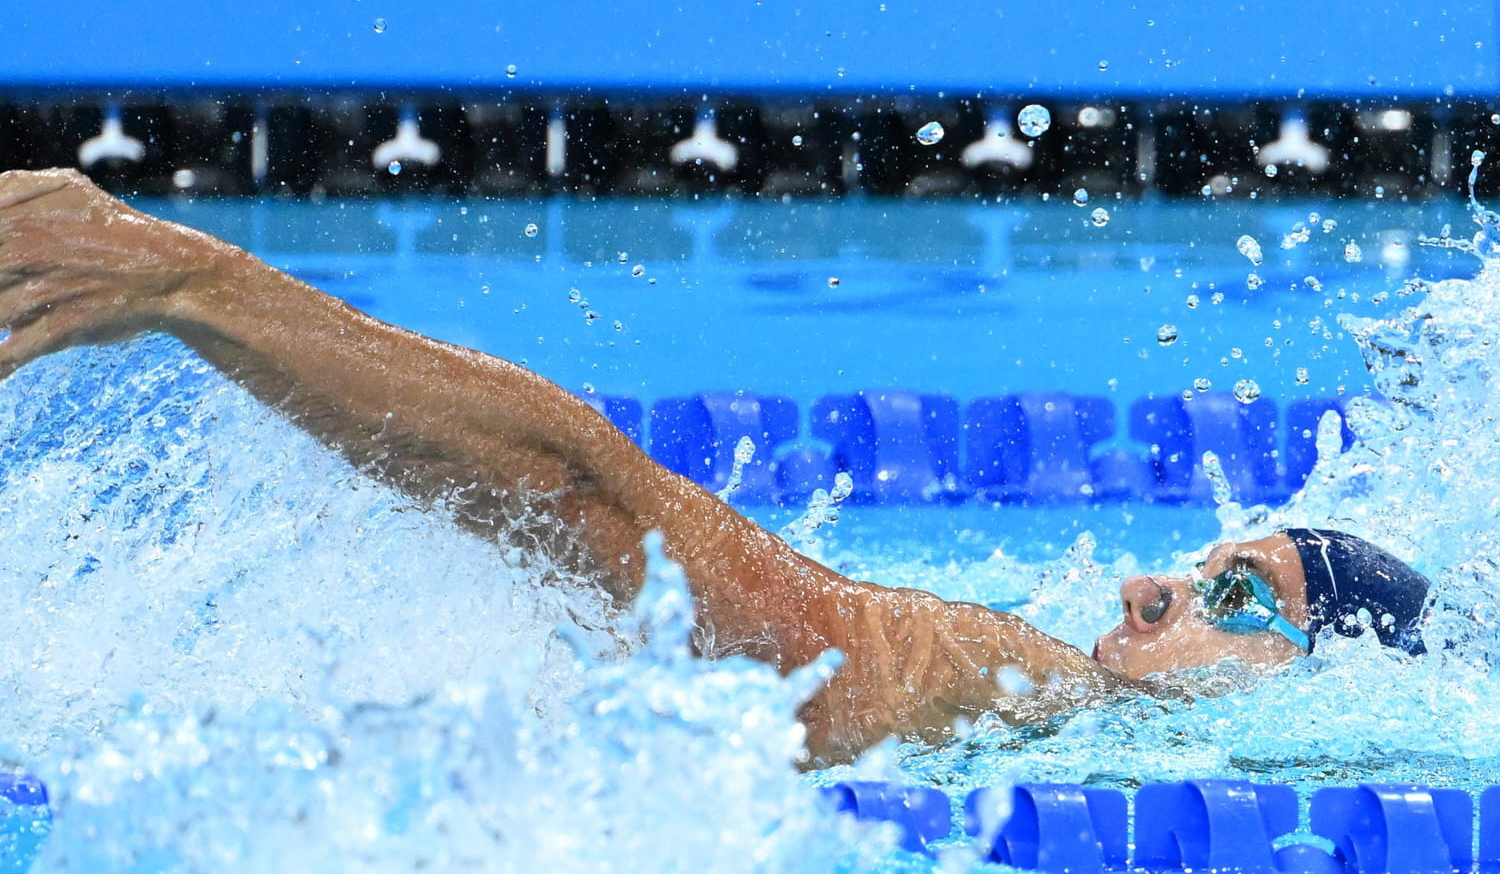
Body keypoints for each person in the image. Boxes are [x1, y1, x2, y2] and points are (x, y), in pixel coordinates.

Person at [0, 168, 1432, 767]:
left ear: (1323, 684)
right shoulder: (1023, 680)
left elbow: (596, 505)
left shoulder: (1102, 726)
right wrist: (196, 290)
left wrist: (200, 290)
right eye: (1195, 567)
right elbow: (600, 502)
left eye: (1226, 600)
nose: (1147, 586)